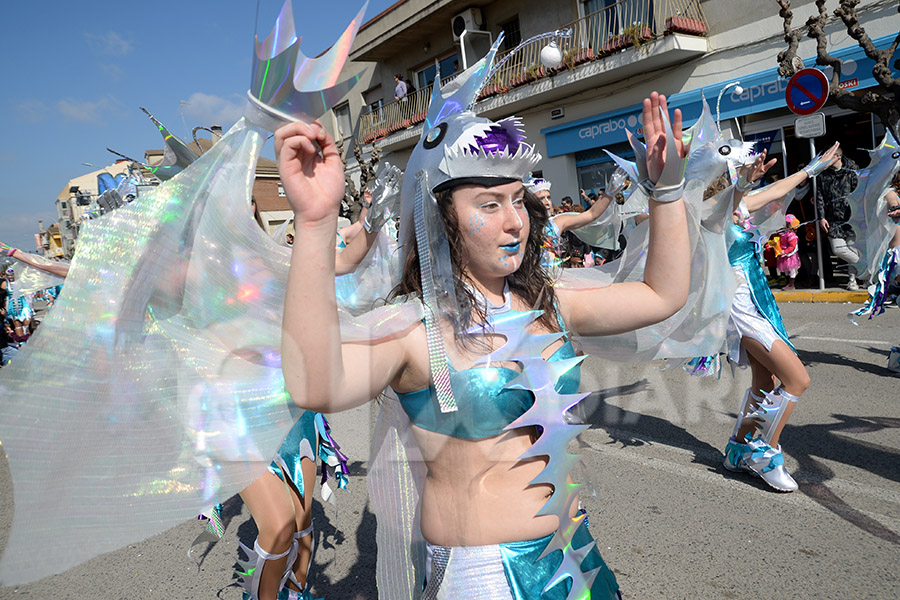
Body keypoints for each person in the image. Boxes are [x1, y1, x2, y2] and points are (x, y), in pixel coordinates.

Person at [275, 87, 690, 599]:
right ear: (443, 218)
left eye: (517, 201)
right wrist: (315, 223)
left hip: (574, 557)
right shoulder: (416, 327)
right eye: (489, 205)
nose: (515, 221)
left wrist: (667, 192)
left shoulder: (546, 300)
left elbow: (661, 294)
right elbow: (314, 384)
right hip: (485, 577)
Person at [718, 144, 839, 492]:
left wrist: (813, 168)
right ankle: (766, 453)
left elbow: (777, 188)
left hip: (761, 302)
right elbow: (727, 205)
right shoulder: (710, 209)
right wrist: (740, 184)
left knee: (765, 382)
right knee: (797, 379)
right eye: (740, 168)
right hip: (740, 308)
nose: (749, 172)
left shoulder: (739, 204)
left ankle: (738, 449)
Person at [816, 146, 862, 290]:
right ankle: (865, 266)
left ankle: (852, 279)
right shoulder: (823, 174)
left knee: (852, 248)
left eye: (828, 156)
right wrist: (821, 217)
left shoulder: (852, 170)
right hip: (832, 219)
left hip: (852, 217)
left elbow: (860, 193)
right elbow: (819, 197)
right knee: (838, 249)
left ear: (837, 156)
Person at [776, 214, 801, 289]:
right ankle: (788, 283)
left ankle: (791, 284)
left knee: (791, 270)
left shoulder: (791, 235)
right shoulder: (784, 233)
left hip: (790, 256)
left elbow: (792, 246)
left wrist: (785, 251)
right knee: (786, 270)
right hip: (784, 254)